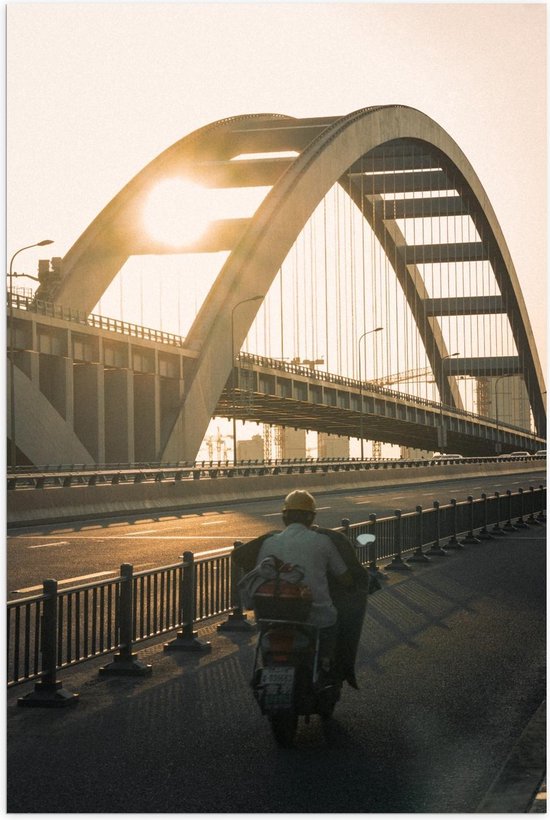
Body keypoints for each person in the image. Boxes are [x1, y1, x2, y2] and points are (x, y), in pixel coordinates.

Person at [234, 490, 368, 687]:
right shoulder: (323, 541)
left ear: (284, 517)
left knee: (267, 642)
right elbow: (345, 577)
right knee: (333, 628)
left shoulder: (270, 542)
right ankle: (328, 671)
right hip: (316, 617)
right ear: (311, 517)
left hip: (272, 616)